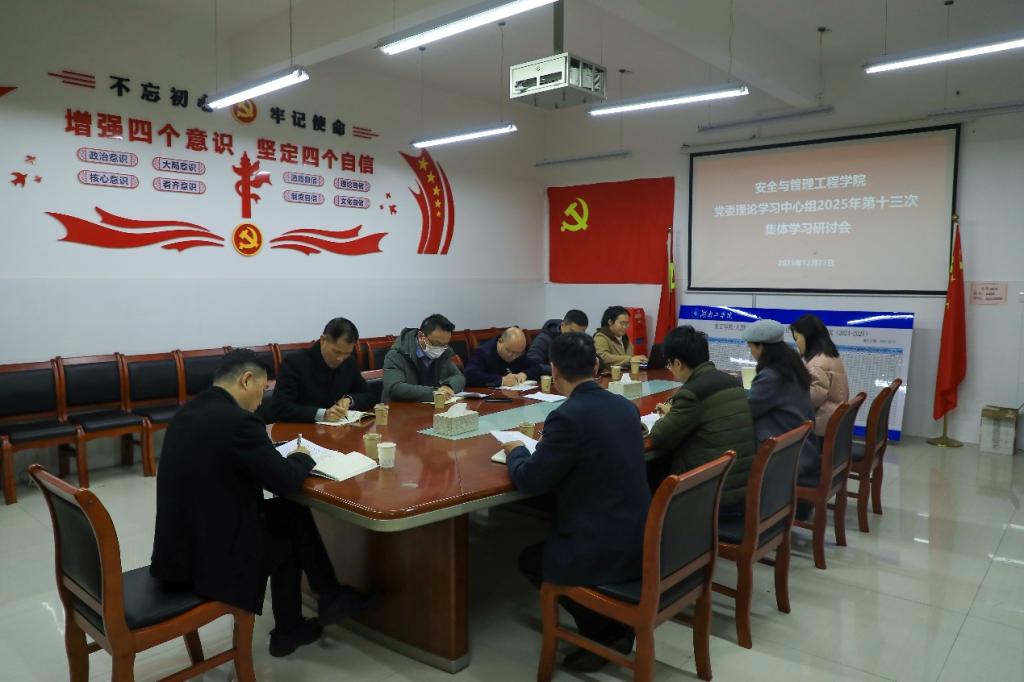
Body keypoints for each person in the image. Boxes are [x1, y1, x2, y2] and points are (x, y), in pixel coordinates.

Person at [150, 350, 376, 658]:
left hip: (179, 549)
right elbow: (284, 480)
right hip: (209, 559)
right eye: (262, 388)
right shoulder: (239, 421)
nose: (261, 400)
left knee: (289, 513)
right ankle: (315, 608)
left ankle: (305, 616)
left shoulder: (188, 412)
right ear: (246, 380)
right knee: (290, 532)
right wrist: (301, 456)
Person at [501, 332, 651, 673]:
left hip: (601, 544)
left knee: (531, 560)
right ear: (596, 365)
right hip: (638, 533)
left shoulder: (567, 416)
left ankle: (604, 631)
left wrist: (517, 451)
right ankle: (612, 625)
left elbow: (531, 480)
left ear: (554, 371)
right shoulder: (625, 406)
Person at [647, 325, 756, 512]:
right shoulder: (732, 382)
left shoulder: (692, 393)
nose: (670, 369)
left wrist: (669, 416)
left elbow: (659, 436)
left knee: (651, 467)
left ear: (678, 363)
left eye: (669, 364)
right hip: (742, 485)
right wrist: (675, 413)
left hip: (714, 494)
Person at [741, 319, 820, 479]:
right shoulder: (790, 365)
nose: (751, 352)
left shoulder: (771, 376)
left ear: (761, 346)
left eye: (751, 347)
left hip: (786, 457)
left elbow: (747, 411)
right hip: (803, 449)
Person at [273, 317, 377, 423]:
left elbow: (370, 396)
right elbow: (281, 407)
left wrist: (349, 400)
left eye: (347, 353)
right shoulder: (295, 362)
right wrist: (323, 414)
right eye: (337, 352)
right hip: (304, 429)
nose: (340, 359)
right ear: (323, 340)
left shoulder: (349, 362)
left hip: (341, 429)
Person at [790, 314, 850, 440]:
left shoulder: (817, 364)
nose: (796, 344)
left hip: (821, 428)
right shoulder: (830, 356)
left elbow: (812, 399)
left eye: (797, 339)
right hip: (834, 422)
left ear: (808, 337)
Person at [381, 313, 466, 402]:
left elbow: (458, 376)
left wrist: (448, 386)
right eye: (436, 343)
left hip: (433, 406)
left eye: (444, 345)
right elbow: (394, 388)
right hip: (402, 408)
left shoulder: (444, 352)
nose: (439, 349)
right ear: (421, 336)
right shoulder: (396, 355)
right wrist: (435, 393)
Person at [464, 326, 541, 387]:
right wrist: (501, 380)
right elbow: (470, 374)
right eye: (508, 351)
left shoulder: (516, 352)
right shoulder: (483, 353)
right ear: (500, 341)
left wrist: (524, 374)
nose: (513, 356)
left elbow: (536, 367)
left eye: (517, 353)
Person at [527, 309, 589, 376]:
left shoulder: (580, 340)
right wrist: (560, 370)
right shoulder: (544, 339)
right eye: (572, 332)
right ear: (562, 326)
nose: (575, 338)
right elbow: (531, 364)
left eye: (580, 335)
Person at [593, 305, 647, 370]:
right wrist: (630, 359)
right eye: (622, 323)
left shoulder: (624, 338)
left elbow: (629, 357)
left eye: (627, 323)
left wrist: (639, 360)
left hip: (625, 373)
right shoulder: (600, 337)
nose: (625, 327)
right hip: (610, 375)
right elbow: (602, 358)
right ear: (610, 322)